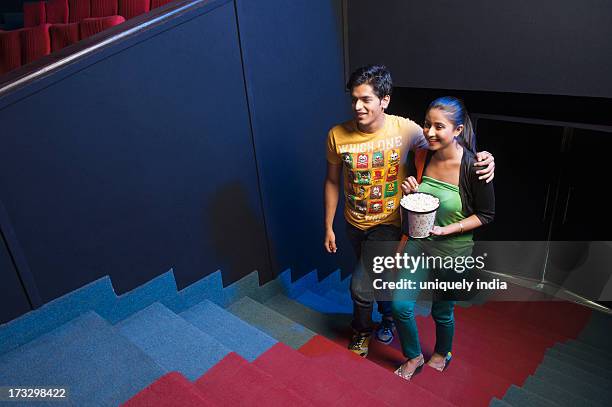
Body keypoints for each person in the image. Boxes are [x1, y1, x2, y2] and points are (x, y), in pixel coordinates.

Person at [324, 65, 495, 358]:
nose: (358, 106)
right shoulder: (339, 135)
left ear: (384, 100)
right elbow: (331, 180)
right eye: (354, 99)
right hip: (355, 223)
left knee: (361, 286)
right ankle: (391, 323)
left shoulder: (408, 130)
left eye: (366, 99)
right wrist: (328, 225)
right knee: (383, 283)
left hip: (392, 225)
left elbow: (452, 143)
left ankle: (363, 332)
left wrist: (486, 157)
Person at [392, 96, 495, 379]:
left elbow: (486, 215)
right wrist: (411, 195)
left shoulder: (476, 167)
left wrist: (447, 230)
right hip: (419, 244)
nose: (430, 132)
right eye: (427, 125)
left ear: (458, 130)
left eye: (439, 126)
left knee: (442, 311)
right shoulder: (424, 155)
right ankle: (414, 356)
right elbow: (423, 204)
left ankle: (441, 352)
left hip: (453, 251)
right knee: (400, 305)